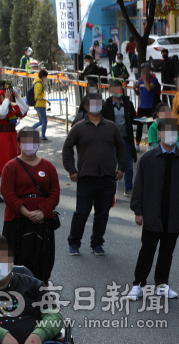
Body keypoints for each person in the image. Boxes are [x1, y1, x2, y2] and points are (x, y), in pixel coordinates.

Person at [127, 119, 179, 301]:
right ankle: (138, 284)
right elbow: (139, 186)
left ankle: (162, 284)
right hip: (152, 212)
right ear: (159, 133)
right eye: (166, 131)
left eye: (174, 131)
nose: (171, 135)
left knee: (167, 252)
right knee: (147, 249)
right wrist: (138, 211)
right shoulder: (148, 158)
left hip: (174, 213)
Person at [62, 92, 127, 256]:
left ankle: (97, 243)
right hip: (85, 178)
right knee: (81, 212)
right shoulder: (78, 127)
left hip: (107, 178)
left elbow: (121, 147)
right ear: (86, 106)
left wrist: (121, 168)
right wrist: (72, 170)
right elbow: (67, 148)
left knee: (102, 214)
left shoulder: (111, 127)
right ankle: (74, 243)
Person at [0, 128, 60, 283]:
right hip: (17, 220)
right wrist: (27, 213)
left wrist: (42, 212)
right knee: (17, 260)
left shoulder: (48, 167)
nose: (30, 145)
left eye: (33, 141)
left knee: (43, 259)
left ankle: (40, 293)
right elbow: (8, 194)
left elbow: (54, 193)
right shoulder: (10, 167)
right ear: (19, 144)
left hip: (43, 220)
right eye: (26, 142)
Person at [0, 87, 29, 199]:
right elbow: (2, 113)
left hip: (13, 137)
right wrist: (6, 100)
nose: (9, 97)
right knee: (0, 164)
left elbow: (24, 109)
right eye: (6, 95)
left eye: (10, 95)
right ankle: (0, 191)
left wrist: (17, 97)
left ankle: (15, 189)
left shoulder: (12, 107)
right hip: (1, 139)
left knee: (16, 163)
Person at [101, 80, 137, 198]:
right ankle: (111, 190)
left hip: (126, 139)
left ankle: (128, 188)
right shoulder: (106, 105)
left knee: (128, 165)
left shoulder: (128, 103)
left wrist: (142, 119)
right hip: (112, 140)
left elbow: (133, 118)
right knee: (111, 166)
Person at [134, 63, 158, 151]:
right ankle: (137, 144)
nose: (143, 73)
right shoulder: (140, 80)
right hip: (142, 107)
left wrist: (144, 80)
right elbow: (139, 93)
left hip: (150, 107)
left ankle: (150, 145)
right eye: (142, 71)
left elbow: (149, 88)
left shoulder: (153, 79)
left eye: (145, 71)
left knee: (150, 126)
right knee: (139, 126)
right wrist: (134, 89)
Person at [31, 70, 51, 142]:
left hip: (38, 105)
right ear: (43, 76)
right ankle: (43, 137)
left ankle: (29, 131)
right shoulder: (39, 84)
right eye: (46, 76)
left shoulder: (38, 81)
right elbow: (37, 96)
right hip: (40, 105)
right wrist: (46, 100)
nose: (46, 77)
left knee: (41, 122)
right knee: (44, 121)